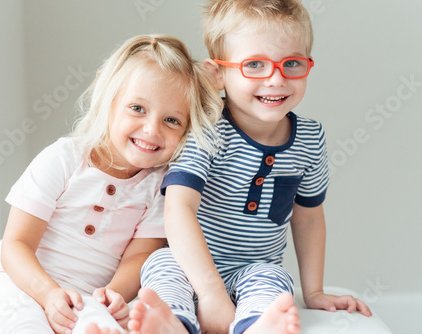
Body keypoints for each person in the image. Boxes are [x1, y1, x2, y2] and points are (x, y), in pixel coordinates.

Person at [129, 1, 373, 334]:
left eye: (292, 64)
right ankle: (172, 323)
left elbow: (310, 217)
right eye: (255, 64)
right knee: (160, 263)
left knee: (275, 279)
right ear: (218, 74)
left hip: (255, 269)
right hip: (191, 267)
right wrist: (212, 294)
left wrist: (314, 291)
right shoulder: (207, 130)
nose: (276, 79)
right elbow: (178, 208)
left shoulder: (310, 138)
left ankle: (258, 327)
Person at [0, 34, 223, 334]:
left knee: (100, 325)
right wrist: (48, 294)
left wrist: (112, 294)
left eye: (172, 120)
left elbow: (140, 255)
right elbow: (16, 244)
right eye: (137, 109)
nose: (152, 129)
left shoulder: (159, 188)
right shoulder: (64, 159)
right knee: (24, 323)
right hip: (12, 284)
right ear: (108, 101)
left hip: (86, 300)